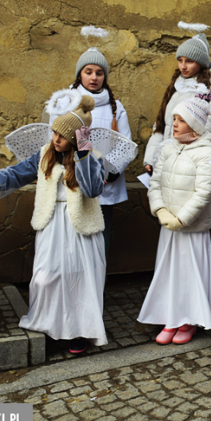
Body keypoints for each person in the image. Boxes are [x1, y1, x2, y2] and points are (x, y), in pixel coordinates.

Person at [0, 95, 107, 355]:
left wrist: (83, 153)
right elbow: (14, 174)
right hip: (52, 225)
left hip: (79, 228)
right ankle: (50, 325)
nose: (55, 138)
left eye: (62, 135)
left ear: (74, 138)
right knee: (46, 277)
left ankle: (79, 331)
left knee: (79, 279)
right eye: (54, 133)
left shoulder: (91, 158)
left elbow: (93, 189)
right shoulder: (44, 155)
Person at [137, 95, 211, 345]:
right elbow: (154, 183)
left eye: (181, 120)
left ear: (195, 124)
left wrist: (182, 219)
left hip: (191, 229)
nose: (174, 124)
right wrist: (161, 211)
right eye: (173, 119)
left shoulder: (207, 154)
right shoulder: (167, 149)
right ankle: (170, 317)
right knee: (169, 273)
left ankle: (188, 319)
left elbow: (203, 192)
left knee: (189, 273)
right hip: (169, 227)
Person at [66, 27, 133, 260]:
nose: (94, 77)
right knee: (73, 240)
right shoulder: (66, 103)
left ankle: (97, 290)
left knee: (99, 242)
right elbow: (55, 139)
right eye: (88, 72)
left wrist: (109, 173)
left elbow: (125, 144)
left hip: (105, 183)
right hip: (74, 179)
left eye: (99, 73)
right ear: (80, 75)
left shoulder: (115, 107)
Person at [143, 22, 211, 173]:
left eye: (189, 61)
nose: (183, 66)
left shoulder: (210, 92)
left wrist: (180, 159)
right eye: (180, 60)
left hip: (189, 166)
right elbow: (160, 126)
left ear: (201, 63)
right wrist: (151, 158)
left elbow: (207, 133)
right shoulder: (175, 88)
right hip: (166, 162)